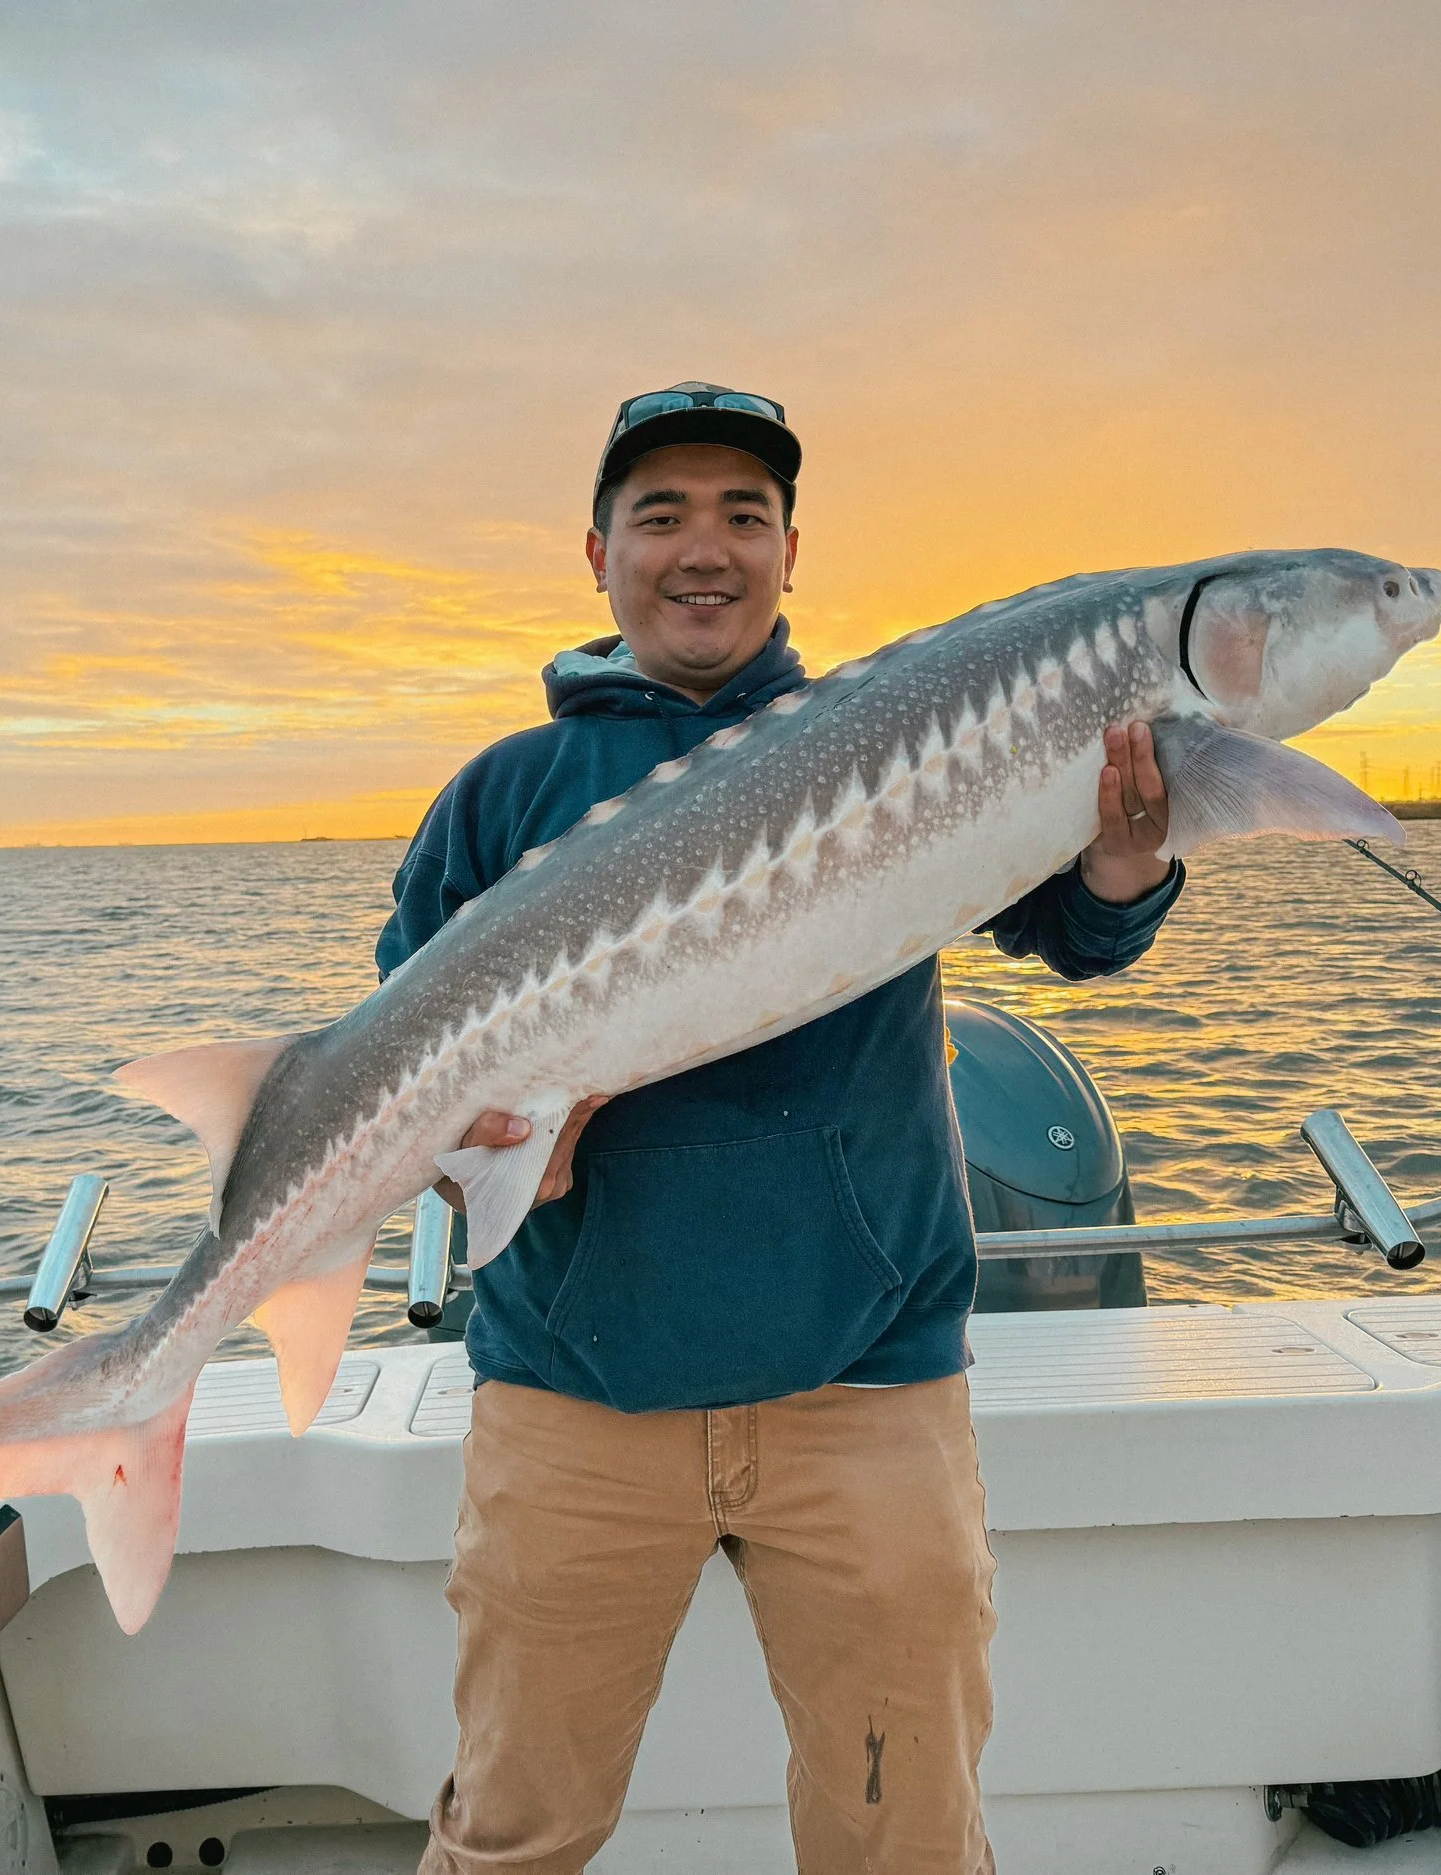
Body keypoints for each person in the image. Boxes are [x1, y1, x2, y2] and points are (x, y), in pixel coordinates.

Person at [378, 383, 1185, 1874]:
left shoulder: (915, 739)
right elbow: (409, 1061)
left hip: (865, 1384)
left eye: (745, 515)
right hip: (574, 1397)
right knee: (512, 1828)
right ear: (597, 552)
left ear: (793, 551)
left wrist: (1126, 862)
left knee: (909, 1838)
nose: (706, 548)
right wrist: (477, 1141)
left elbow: (1069, 930)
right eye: (662, 513)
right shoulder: (505, 793)